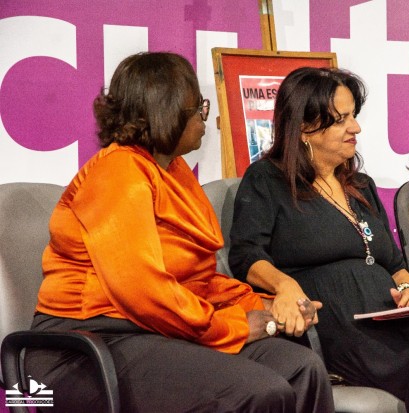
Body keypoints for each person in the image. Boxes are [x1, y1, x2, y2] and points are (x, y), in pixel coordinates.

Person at [25, 52, 334, 413]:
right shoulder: (118, 172)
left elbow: (198, 281)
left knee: (302, 370)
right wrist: (233, 326)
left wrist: (264, 305)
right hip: (87, 345)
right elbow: (143, 291)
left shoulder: (174, 170)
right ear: (166, 113)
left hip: (159, 331)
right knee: (258, 391)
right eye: (198, 107)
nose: (205, 117)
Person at [228, 66, 409, 412]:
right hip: (332, 330)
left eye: (354, 116)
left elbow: (394, 263)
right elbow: (246, 255)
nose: (356, 128)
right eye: (341, 120)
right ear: (304, 127)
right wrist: (285, 285)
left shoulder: (361, 185)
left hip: (389, 321)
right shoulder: (268, 179)